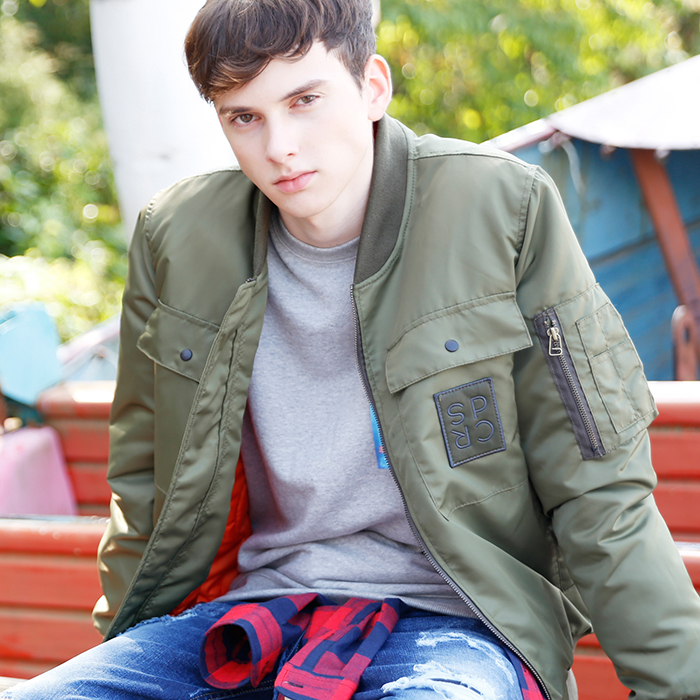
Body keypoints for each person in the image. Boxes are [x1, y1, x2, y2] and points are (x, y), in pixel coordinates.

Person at [4, 1, 700, 699]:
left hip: (461, 621)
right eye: (244, 117)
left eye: (304, 101)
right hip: (248, 615)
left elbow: (597, 482)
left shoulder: (500, 207)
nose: (279, 146)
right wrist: (121, 654)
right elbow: (145, 485)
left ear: (372, 86)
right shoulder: (177, 238)